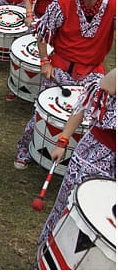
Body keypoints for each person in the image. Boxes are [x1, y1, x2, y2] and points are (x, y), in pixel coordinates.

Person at [14, 0, 115, 169]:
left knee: (93, 121)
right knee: (43, 113)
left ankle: (79, 161)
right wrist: (44, 62)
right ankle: (24, 149)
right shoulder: (62, 4)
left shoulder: (113, 7)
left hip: (93, 72)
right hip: (60, 68)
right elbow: (42, 33)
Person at [37, 70, 115, 247]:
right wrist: (62, 141)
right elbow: (82, 107)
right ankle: (48, 251)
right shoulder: (115, 79)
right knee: (73, 206)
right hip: (98, 155)